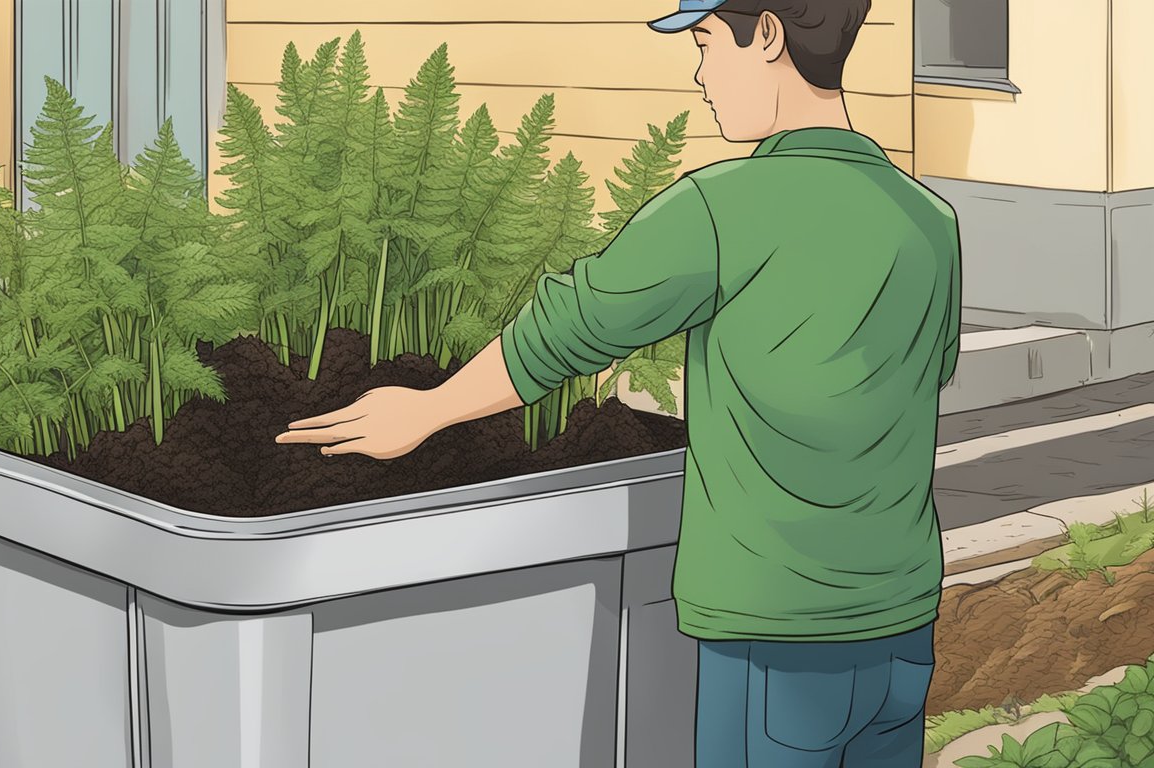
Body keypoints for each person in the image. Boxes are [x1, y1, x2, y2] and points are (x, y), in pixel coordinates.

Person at [275, 0, 962, 764]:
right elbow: (913, 389)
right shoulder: (927, 221)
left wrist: (430, 409)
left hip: (778, 633)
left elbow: (567, 328)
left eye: (706, 44)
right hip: (902, 628)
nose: (701, 77)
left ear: (768, 34)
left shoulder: (721, 208)